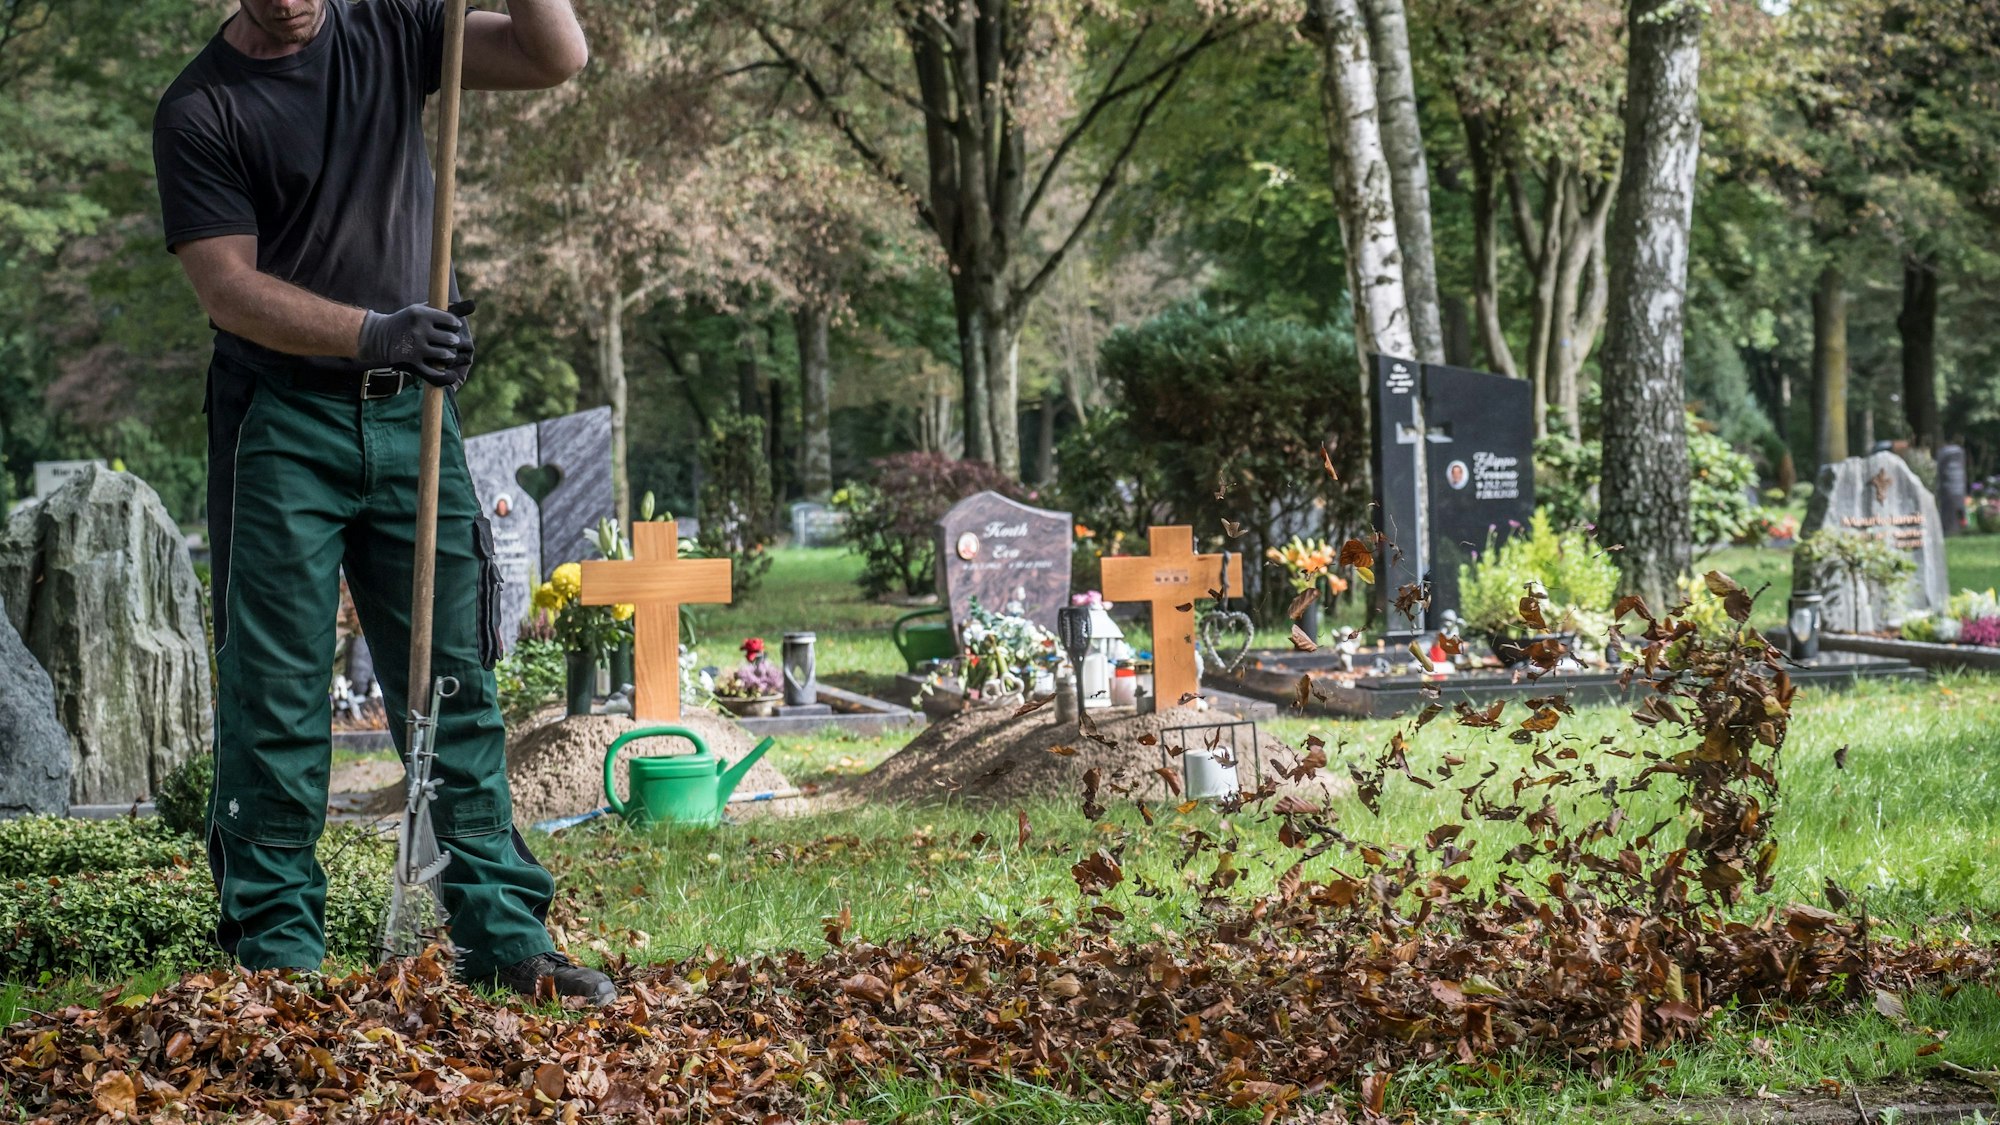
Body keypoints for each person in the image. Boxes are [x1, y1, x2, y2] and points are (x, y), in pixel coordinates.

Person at [153, 0, 613, 1003]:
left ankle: (498, 931)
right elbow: (227, 289)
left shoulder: (397, 26)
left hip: (414, 420)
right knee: (275, 697)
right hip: (279, 420)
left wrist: (401, 351)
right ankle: (277, 954)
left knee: (452, 679)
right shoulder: (200, 109)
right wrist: (377, 332)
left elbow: (553, 55)